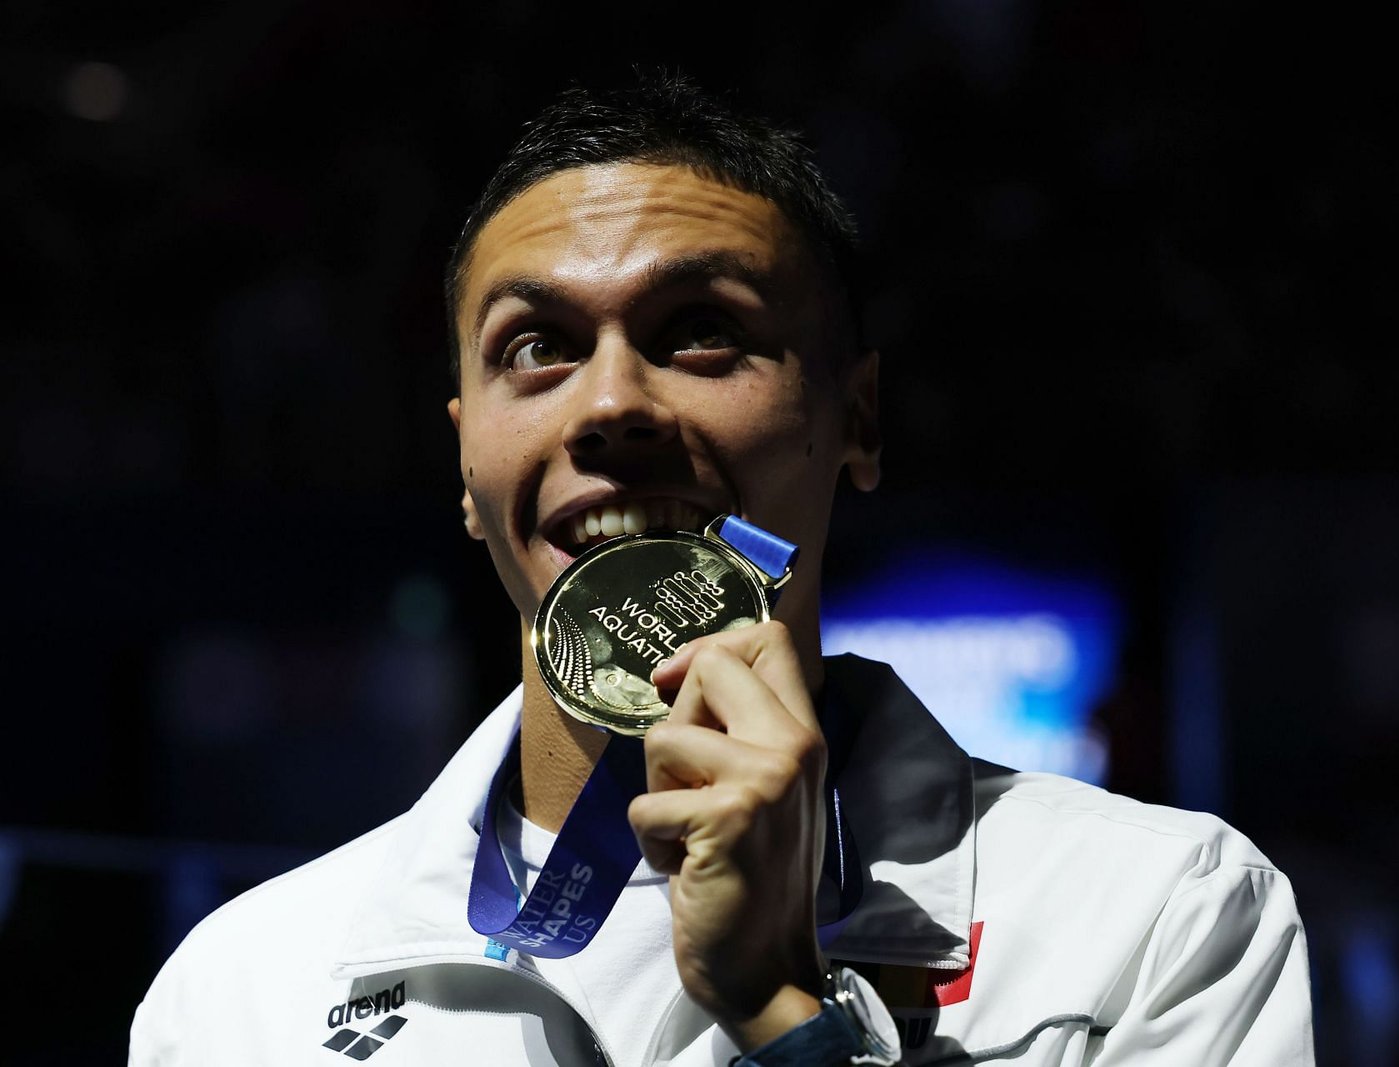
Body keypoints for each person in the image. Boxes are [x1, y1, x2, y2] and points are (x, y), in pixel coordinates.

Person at [130, 74, 1314, 1065]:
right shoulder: (240, 996)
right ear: (463, 455)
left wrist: (782, 1015)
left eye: (700, 330)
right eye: (535, 347)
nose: (609, 405)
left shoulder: (1157, 917)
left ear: (856, 418)